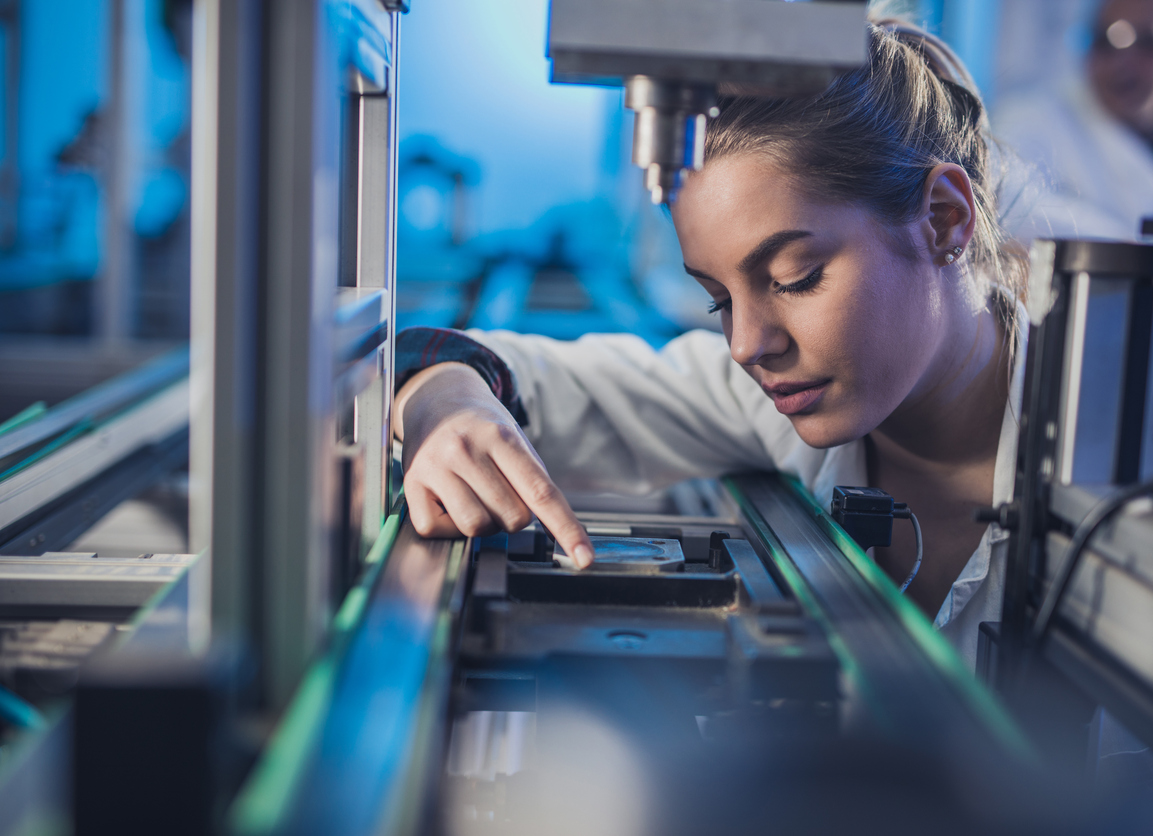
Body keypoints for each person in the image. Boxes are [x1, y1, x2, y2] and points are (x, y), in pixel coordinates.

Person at [392, 19, 1027, 666]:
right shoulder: (764, 397)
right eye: (719, 300)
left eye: (794, 279)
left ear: (944, 219)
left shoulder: (1120, 452)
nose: (746, 346)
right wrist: (440, 396)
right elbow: (527, 378)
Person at [995, 0, 1153, 242]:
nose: (1122, 62)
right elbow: (1009, 208)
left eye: (1148, 43)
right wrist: (1133, 244)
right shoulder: (1031, 119)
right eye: (1106, 41)